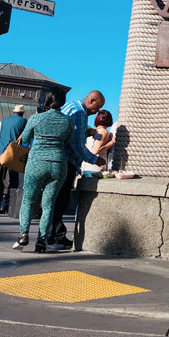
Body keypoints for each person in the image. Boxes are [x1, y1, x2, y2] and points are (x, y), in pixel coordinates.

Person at [13, 90, 74, 253]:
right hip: (58, 163)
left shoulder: (36, 118)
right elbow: (68, 141)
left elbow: (25, 139)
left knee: (28, 200)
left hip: (36, 162)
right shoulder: (68, 121)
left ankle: (23, 234)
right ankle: (41, 241)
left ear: (46, 101)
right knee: (48, 205)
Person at [48, 90, 105, 250]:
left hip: (54, 159)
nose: (96, 112)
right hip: (66, 161)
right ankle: (55, 236)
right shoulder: (80, 113)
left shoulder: (69, 107)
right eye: (97, 108)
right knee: (61, 200)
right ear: (92, 101)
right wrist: (95, 159)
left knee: (53, 199)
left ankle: (52, 234)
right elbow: (77, 146)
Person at [0, 105, 27, 214]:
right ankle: (6, 203)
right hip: (12, 154)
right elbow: (25, 137)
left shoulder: (5, 120)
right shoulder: (23, 121)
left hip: (0, 151)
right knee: (13, 180)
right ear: (22, 113)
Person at [81, 110, 115, 176]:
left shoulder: (92, 132)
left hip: (86, 166)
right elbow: (96, 151)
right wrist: (111, 143)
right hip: (96, 167)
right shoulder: (104, 132)